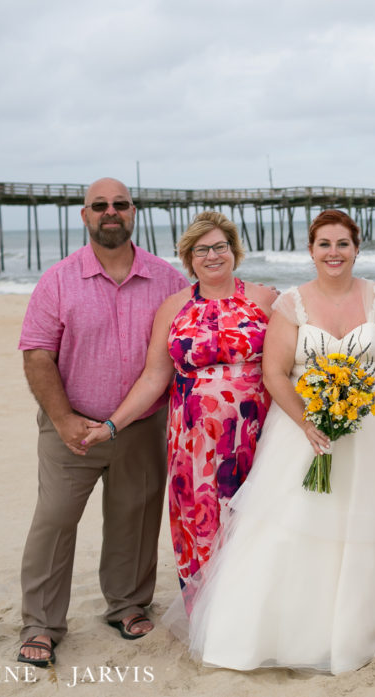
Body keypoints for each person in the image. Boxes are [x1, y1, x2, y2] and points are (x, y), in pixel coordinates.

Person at [176, 209, 375, 674]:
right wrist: (309, 424)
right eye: (324, 244)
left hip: (374, 431)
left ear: (357, 248)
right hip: (303, 430)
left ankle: (370, 612)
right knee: (294, 522)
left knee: (367, 519)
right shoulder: (290, 304)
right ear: (310, 250)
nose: (333, 253)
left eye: (342, 244)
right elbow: (274, 372)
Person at [15, 177, 189, 667]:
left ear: (134, 212)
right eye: (100, 205)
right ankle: (41, 623)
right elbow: (37, 355)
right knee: (54, 521)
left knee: (135, 519)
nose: (110, 212)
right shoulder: (58, 279)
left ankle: (127, 605)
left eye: (120, 204)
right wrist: (64, 418)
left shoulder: (168, 280)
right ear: (84, 215)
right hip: (70, 428)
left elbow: (191, 340)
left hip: (142, 426)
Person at [81, 211, 279, 596]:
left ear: (234, 250)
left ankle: (256, 607)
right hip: (194, 443)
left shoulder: (265, 299)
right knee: (201, 521)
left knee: (256, 520)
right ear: (189, 259)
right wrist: (111, 425)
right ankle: (209, 610)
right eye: (201, 250)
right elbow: (155, 377)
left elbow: (292, 362)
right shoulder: (173, 309)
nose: (212, 256)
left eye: (220, 246)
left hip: (255, 435)